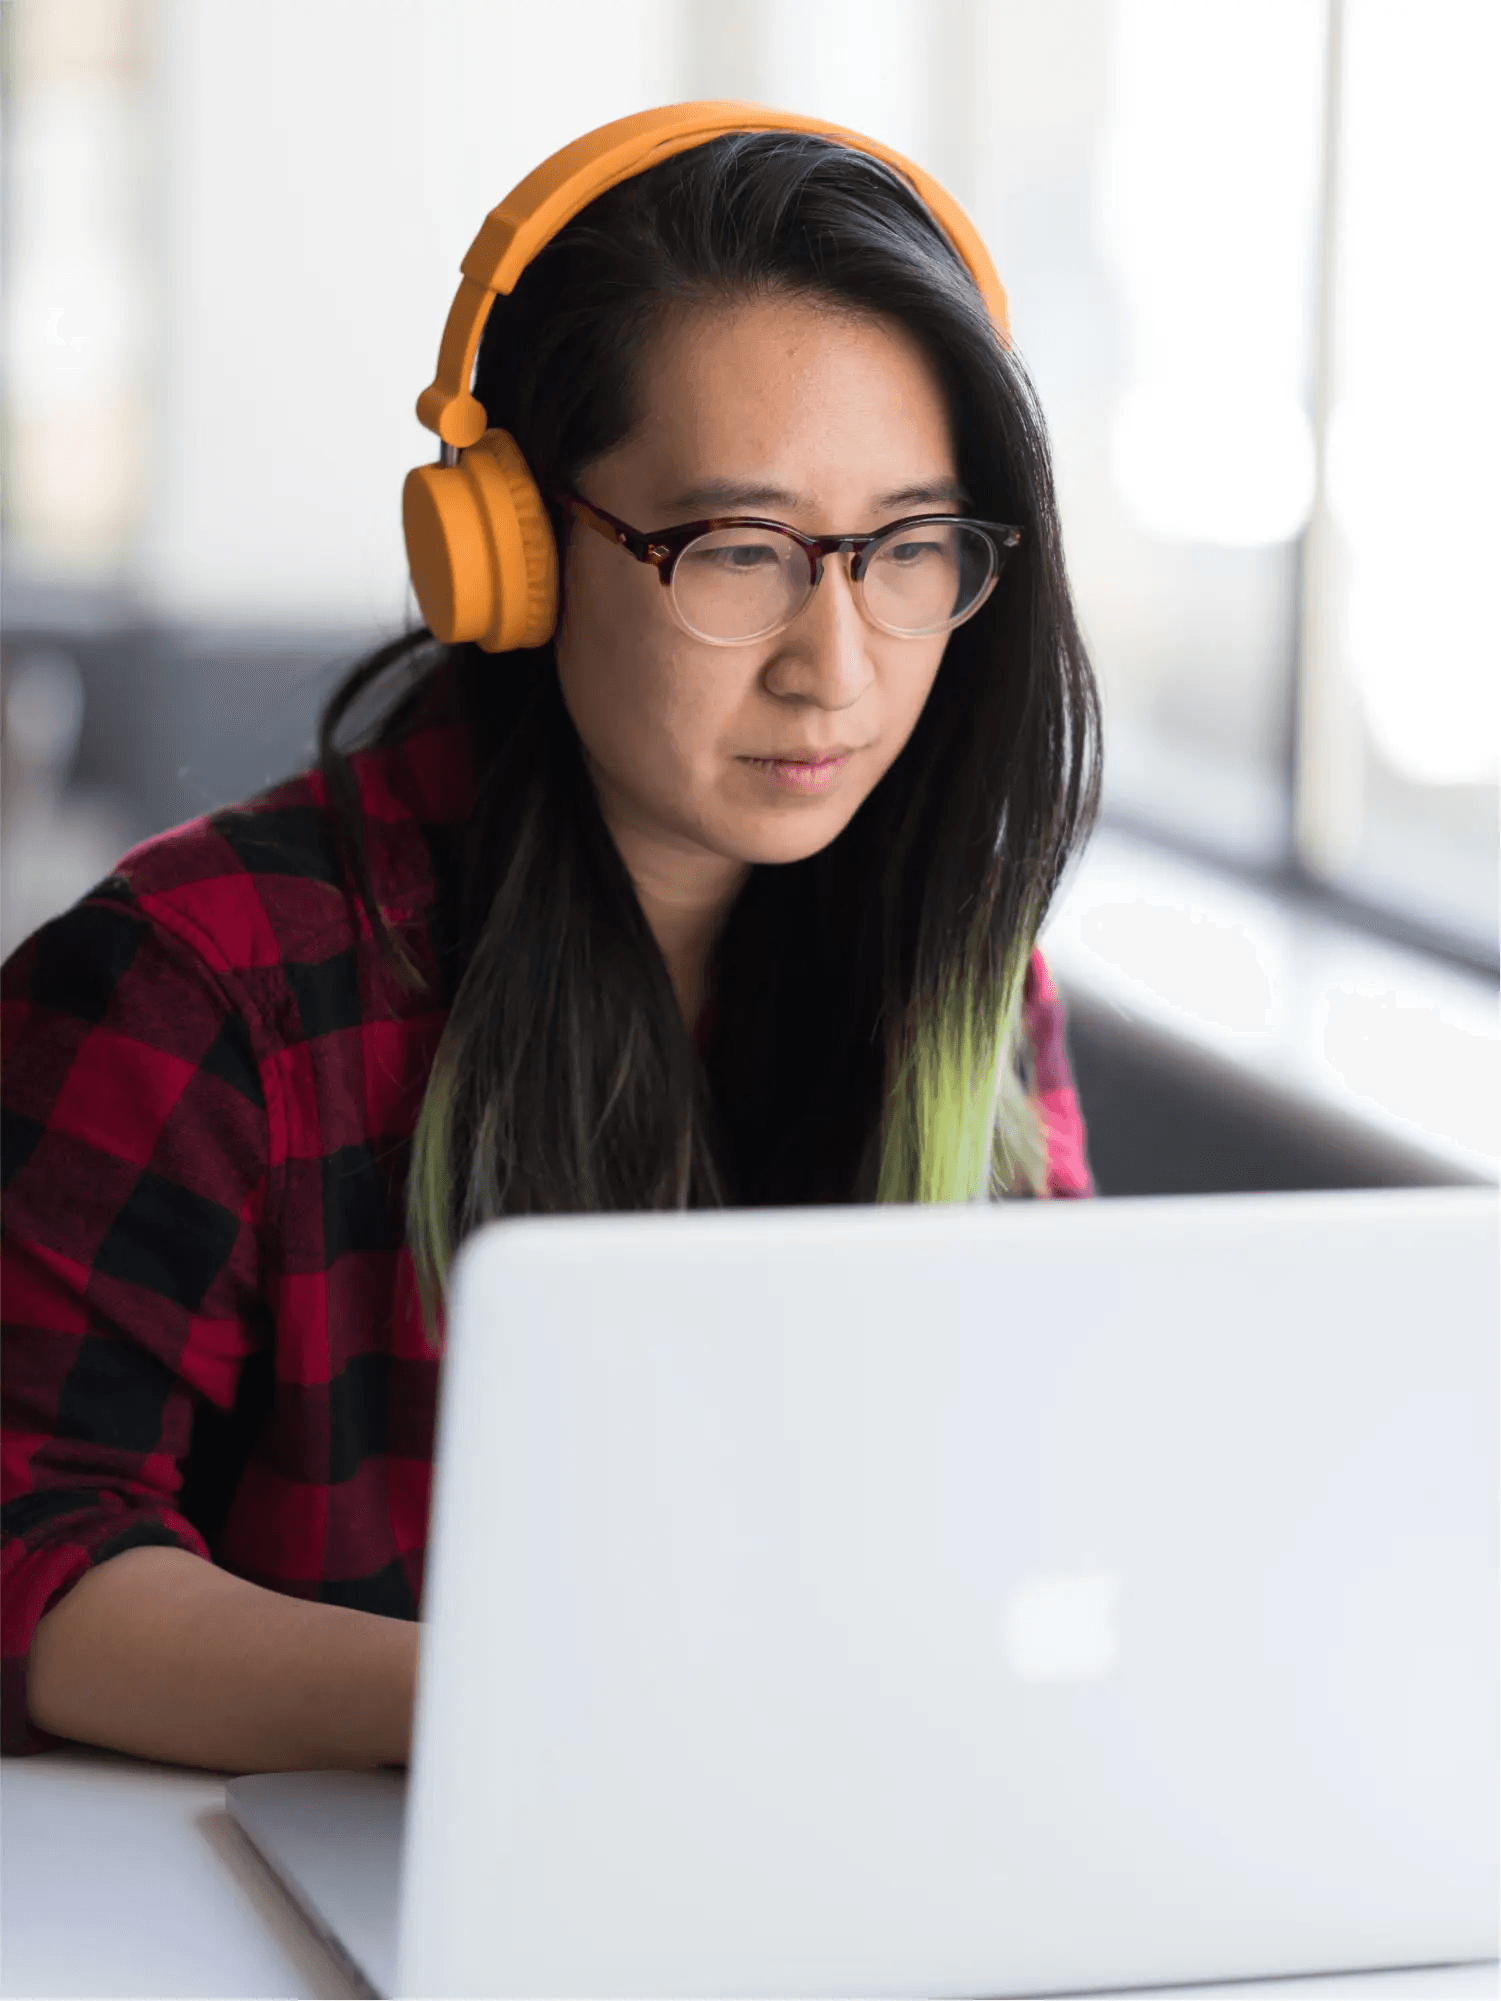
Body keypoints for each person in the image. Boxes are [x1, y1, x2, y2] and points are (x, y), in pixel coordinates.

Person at [0, 108, 1100, 1771]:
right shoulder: (196, 982)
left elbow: (1049, 1483)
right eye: (737, 551)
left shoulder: (963, 981)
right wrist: (535, 1719)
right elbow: (29, 1542)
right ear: (505, 555)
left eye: (908, 551)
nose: (838, 667)